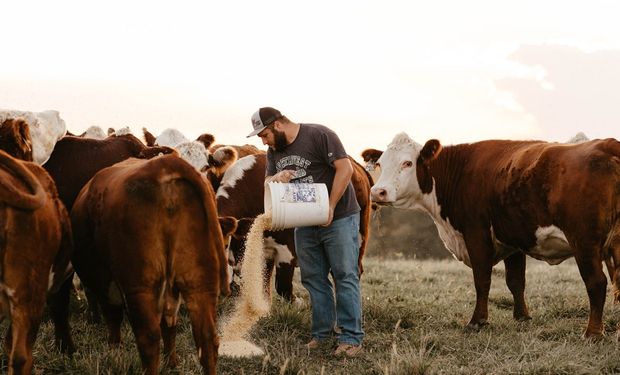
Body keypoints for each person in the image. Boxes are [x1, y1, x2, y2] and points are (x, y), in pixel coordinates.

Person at [247, 107, 364, 357]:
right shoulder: (273, 152)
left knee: (344, 274)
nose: (263, 141)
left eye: (264, 134)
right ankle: (322, 335)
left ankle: (351, 338)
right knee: (312, 278)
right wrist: (276, 177)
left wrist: (331, 206)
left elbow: (346, 169)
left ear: (277, 124)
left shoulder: (320, 135)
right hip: (304, 219)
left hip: (339, 216)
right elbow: (267, 183)